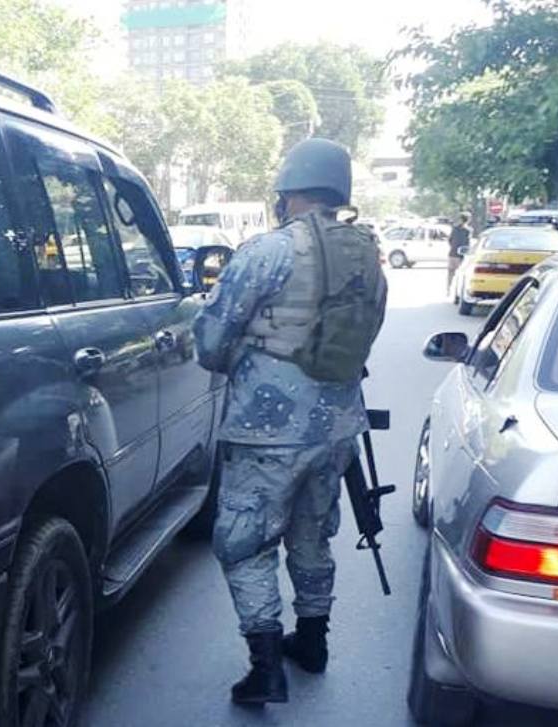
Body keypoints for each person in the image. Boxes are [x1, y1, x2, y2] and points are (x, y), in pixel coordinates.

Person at [193, 138, 387, 707]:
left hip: (265, 431)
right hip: (335, 429)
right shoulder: (366, 257)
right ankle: (313, 642)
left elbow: (210, 338)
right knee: (311, 535)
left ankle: (265, 667)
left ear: (287, 193)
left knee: (246, 543)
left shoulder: (268, 252)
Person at [449, 213, 471, 289]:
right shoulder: (467, 230)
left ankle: (450, 288)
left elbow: (450, 240)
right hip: (460, 254)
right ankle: (453, 288)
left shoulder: (455, 229)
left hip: (454, 253)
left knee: (452, 272)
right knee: (457, 273)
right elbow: (467, 243)